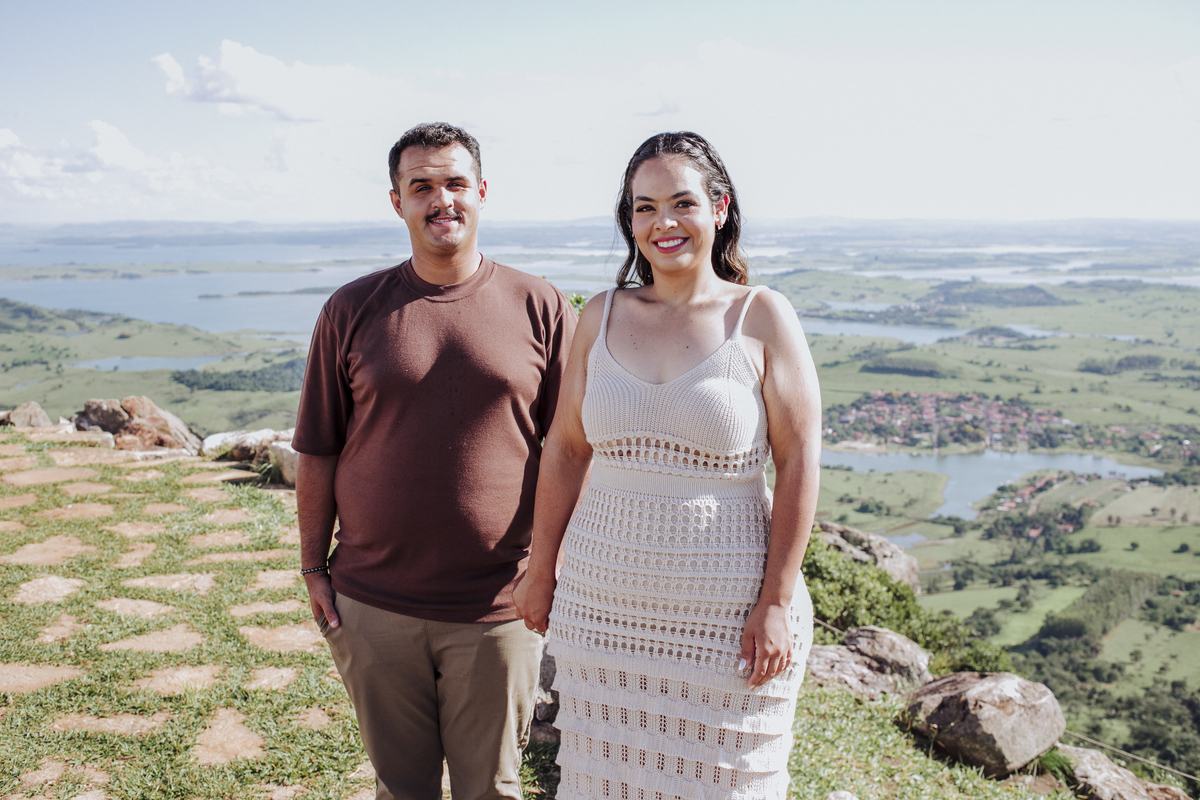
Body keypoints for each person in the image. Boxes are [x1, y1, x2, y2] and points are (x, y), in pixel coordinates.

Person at [514, 131, 821, 799]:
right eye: (645, 207)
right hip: (602, 609)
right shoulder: (602, 314)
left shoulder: (761, 316)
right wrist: (541, 570)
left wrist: (775, 601)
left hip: (728, 616)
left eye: (682, 203)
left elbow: (800, 461)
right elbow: (565, 449)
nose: (664, 223)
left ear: (720, 207)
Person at [293, 122, 577, 800]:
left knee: (491, 790)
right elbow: (318, 447)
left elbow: (571, 451)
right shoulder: (352, 309)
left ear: (481, 191)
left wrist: (551, 568)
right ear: (397, 202)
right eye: (421, 186)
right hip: (374, 603)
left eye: (455, 183)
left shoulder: (540, 305)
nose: (441, 199)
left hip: (501, 605)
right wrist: (312, 568)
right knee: (402, 789)